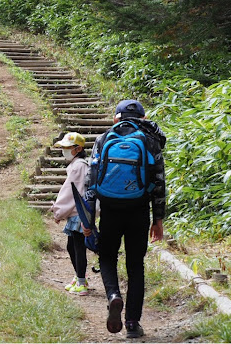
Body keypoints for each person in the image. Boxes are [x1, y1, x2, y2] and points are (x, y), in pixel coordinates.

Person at [84, 99, 166, 339]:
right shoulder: (150, 141)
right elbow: (159, 183)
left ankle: (113, 296)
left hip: (109, 210)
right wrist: (158, 219)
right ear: (143, 117)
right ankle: (132, 323)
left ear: (116, 117)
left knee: (107, 257)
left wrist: (88, 219)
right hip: (138, 210)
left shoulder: (103, 138)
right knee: (135, 265)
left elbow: (91, 181)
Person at [50, 131, 91, 296]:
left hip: (78, 213)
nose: (64, 150)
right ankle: (79, 276)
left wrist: (58, 211)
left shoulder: (79, 166)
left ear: (78, 148)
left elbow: (70, 192)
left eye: (67, 147)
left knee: (78, 247)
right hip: (76, 212)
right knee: (71, 246)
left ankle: (82, 281)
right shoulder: (77, 165)